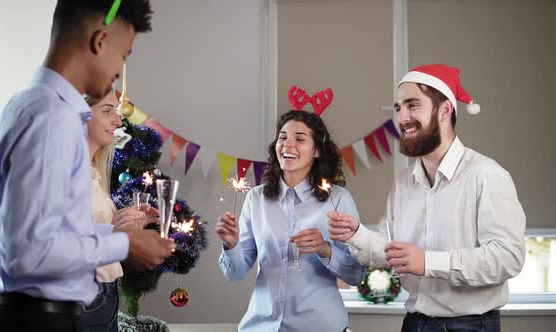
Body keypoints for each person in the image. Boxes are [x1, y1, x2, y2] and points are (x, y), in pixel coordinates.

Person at [0, 1, 175, 331]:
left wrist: (115, 234)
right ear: (99, 41)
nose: (119, 71)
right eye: (123, 55)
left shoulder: (31, 104)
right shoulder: (51, 116)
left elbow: (41, 233)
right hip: (32, 322)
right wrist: (125, 244)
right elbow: (28, 250)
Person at [328, 64, 526, 332]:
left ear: (445, 110)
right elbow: (391, 251)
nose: (402, 117)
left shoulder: (487, 175)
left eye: (412, 105)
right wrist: (357, 234)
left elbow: (508, 257)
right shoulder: (403, 183)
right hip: (414, 323)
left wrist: (429, 262)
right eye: (399, 108)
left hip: (471, 326)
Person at [216, 110, 364, 332]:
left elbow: (356, 274)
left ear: (316, 151)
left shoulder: (338, 199)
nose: (288, 144)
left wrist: (325, 249)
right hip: (260, 326)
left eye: (300, 138)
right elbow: (234, 274)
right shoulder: (256, 198)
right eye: (283, 137)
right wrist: (231, 244)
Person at [83, 90, 158, 331]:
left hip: (106, 294)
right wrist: (113, 230)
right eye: (107, 111)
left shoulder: (94, 174)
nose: (118, 121)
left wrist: (126, 223)